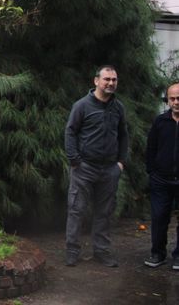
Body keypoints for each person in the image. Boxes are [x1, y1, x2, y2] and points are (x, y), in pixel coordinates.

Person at [64, 65, 128, 267]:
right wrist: (75, 160)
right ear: (96, 81)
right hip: (85, 168)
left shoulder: (118, 108)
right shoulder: (82, 105)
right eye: (107, 79)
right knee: (76, 210)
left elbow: (124, 135)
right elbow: (70, 132)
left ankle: (101, 251)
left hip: (109, 169)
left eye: (114, 80)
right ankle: (72, 251)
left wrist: (120, 162)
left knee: (105, 212)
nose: (110, 83)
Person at [144, 82, 179, 269]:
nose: (175, 102)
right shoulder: (160, 122)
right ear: (168, 100)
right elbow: (151, 148)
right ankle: (157, 253)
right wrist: (152, 171)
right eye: (172, 98)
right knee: (159, 218)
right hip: (161, 180)